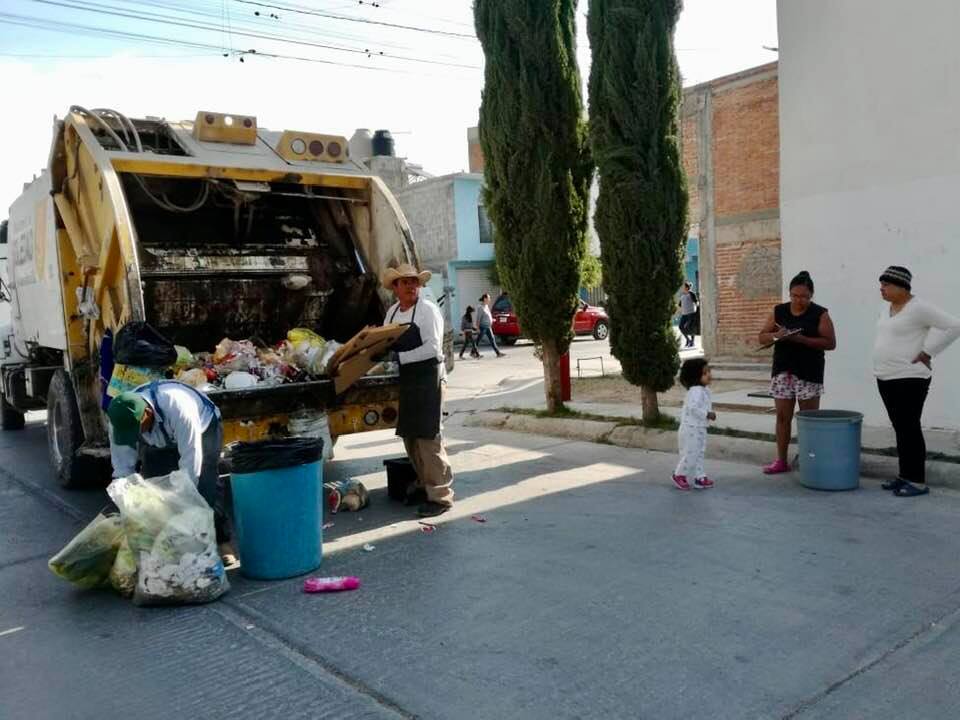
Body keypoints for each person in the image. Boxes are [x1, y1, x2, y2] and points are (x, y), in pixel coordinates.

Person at [107, 380, 235, 564]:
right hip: (160, 440)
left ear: (146, 414)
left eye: (136, 431)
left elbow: (192, 464)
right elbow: (122, 467)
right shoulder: (118, 422)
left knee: (206, 489)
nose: (134, 437)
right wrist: (126, 503)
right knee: (154, 494)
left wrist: (184, 502)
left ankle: (220, 542)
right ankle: (170, 549)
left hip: (203, 428)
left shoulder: (178, 406)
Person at [874, 266, 960, 497]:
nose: (881, 288)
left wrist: (928, 352)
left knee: (909, 428)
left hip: (909, 378)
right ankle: (905, 475)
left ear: (902, 287)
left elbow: (955, 325)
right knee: (900, 428)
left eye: (886, 285)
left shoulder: (919, 307)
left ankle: (918, 481)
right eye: (881, 284)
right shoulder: (887, 307)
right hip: (885, 376)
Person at [382, 263, 455, 518]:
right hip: (408, 382)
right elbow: (386, 343)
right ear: (395, 288)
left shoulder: (427, 310)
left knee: (429, 437)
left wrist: (399, 359)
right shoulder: (391, 313)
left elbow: (433, 349)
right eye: (405, 282)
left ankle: (441, 496)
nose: (412, 286)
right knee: (410, 438)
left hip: (429, 378)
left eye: (414, 281)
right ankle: (425, 486)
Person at [757, 271, 837, 475]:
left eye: (804, 296)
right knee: (783, 417)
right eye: (795, 295)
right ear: (789, 293)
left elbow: (830, 343)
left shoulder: (820, 313)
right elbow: (762, 337)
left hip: (809, 372)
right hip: (783, 371)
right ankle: (781, 461)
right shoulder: (779, 311)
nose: (799, 300)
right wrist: (778, 335)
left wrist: (803, 340)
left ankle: (811, 459)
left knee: (809, 419)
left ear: (811, 295)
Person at [672, 357, 717, 491]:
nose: (709, 375)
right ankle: (679, 474)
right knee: (691, 453)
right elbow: (693, 408)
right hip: (691, 428)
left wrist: (708, 413)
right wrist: (707, 414)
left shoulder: (704, 390)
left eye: (709, 371)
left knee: (699, 453)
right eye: (704, 373)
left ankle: (700, 476)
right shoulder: (696, 391)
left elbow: (703, 405)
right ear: (695, 376)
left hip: (699, 427)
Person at [476, 293, 505, 358]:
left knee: (492, 339)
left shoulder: (486, 306)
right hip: (483, 327)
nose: (490, 300)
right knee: (478, 340)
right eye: (489, 298)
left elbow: (488, 315)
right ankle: (473, 352)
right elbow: (478, 318)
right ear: (485, 299)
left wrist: (492, 319)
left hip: (488, 326)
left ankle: (498, 353)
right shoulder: (480, 307)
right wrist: (477, 327)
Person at [678, 283, 699, 348]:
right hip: (684, 314)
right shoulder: (682, 295)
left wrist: (697, 311)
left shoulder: (691, 294)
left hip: (691, 313)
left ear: (687, 287)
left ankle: (692, 341)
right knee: (681, 327)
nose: (683, 288)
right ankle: (688, 340)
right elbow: (680, 304)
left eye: (684, 287)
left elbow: (696, 302)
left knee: (690, 327)